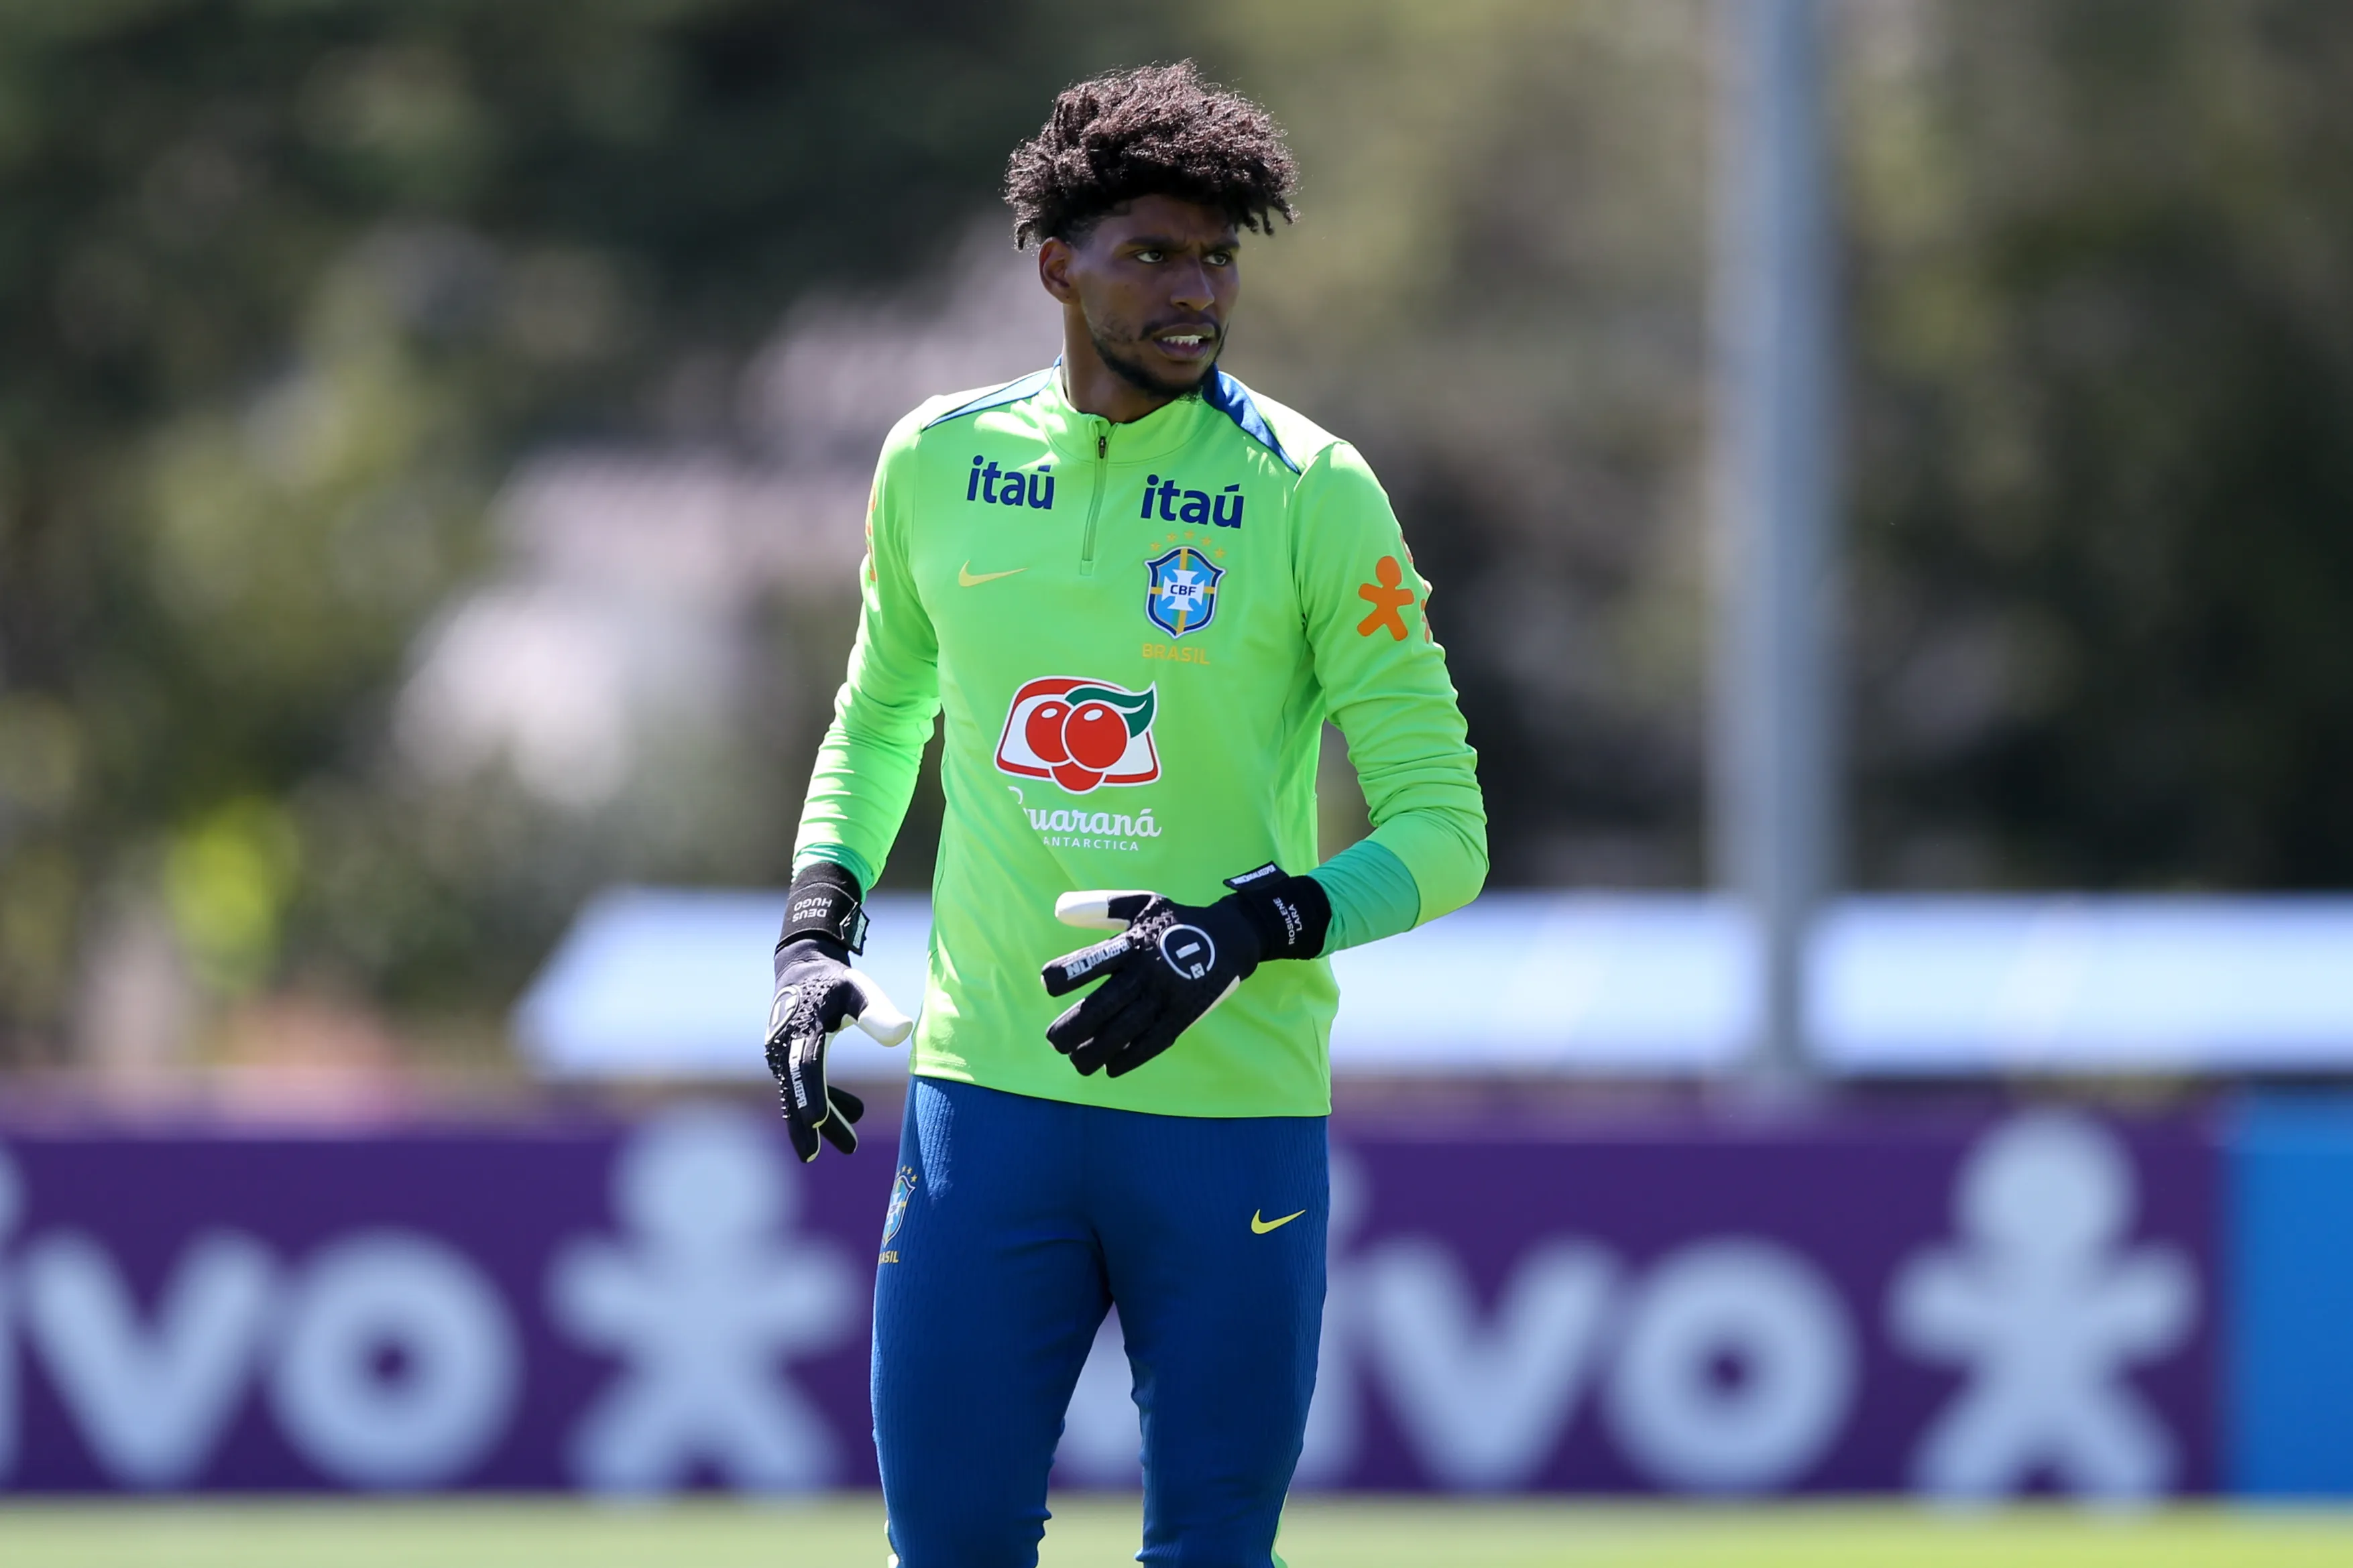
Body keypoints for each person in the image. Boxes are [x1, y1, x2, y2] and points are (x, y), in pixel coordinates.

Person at [762, 60, 1485, 1568]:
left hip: (1229, 1123)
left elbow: (1441, 830)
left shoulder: (1312, 493)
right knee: (949, 1548)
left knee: (1211, 1553)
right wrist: (810, 933)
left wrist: (1241, 931)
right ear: (1055, 264)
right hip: (986, 1112)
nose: (1196, 289)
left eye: (1218, 256)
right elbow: (883, 714)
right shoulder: (936, 461)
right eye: (1153, 251)